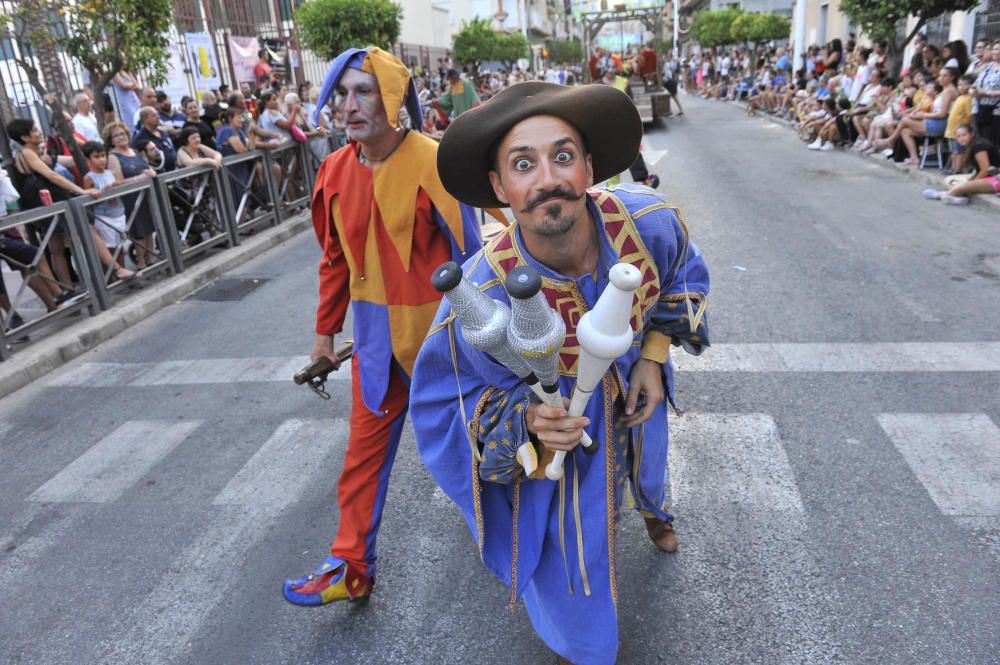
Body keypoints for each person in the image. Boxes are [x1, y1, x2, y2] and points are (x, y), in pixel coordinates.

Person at [409, 81, 710, 665]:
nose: (548, 178)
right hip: (557, 435)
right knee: (571, 547)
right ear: (499, 187)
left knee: (647, 463)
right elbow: (444, 401)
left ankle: (653, 511)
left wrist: (652, 354)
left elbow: (683, 276)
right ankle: (581, 647)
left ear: (589, 166)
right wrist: (525, 420)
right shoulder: (483, 294)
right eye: (523, 164)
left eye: (563, 156)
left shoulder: (647, 225)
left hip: (633, 389)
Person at [280, 46, 488, 606]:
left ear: (393, 100)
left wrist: (486, 336)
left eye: (363, 92)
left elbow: (474, 257)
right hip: (374, 346)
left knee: (478, 452)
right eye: (341, 93)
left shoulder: (431, 161)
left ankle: (525, 544)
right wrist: (324, 338)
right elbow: (333, 261)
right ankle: (351, 565)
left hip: (445, 343)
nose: (349, 105)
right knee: (361, 458)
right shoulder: (334, 169)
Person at [597, 68, 659, 189]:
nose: (610, 69)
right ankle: (612, 188)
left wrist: (634, 122)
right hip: (606, 126)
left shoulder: (623, 82)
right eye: (607, 66)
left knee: (631, 149)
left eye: (613, 66)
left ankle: (644, 179)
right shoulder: (596, 85)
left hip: (623, 123)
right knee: (611, 155)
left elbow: (631, 103)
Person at [923, 124, 1000, 204]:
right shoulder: (973, 145)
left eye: (964, 135)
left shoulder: (979, 146)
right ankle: (960, 198)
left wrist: (972, 182)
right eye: (958, 136)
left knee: (965, 185)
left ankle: (941, 195)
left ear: (972, 134)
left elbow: (985, 170)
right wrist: (970, 179)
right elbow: (977, 169)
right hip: (988, 176)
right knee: (950, 179)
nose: (961, 139)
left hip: (995, 178)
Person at [81, 141, 130, 265]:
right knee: (110, 248)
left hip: (119, 213)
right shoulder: (89, 178)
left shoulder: (111, 173)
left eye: (103, 155)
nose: (101, 159)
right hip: (103, 217)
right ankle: (114, 276)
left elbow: (121, 187)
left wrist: (118, 185)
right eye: (96, 157)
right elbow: (89, 198)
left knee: (120, 247)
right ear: (88, 159)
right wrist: (103, 191)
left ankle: (124, 272)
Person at [133, 106, 177, 171]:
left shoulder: (163, 131)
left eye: (157, 114)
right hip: (159, 174)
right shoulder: (140, 138)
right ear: (145, 119)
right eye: (154, 115)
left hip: (175, 171)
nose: (158, 117)